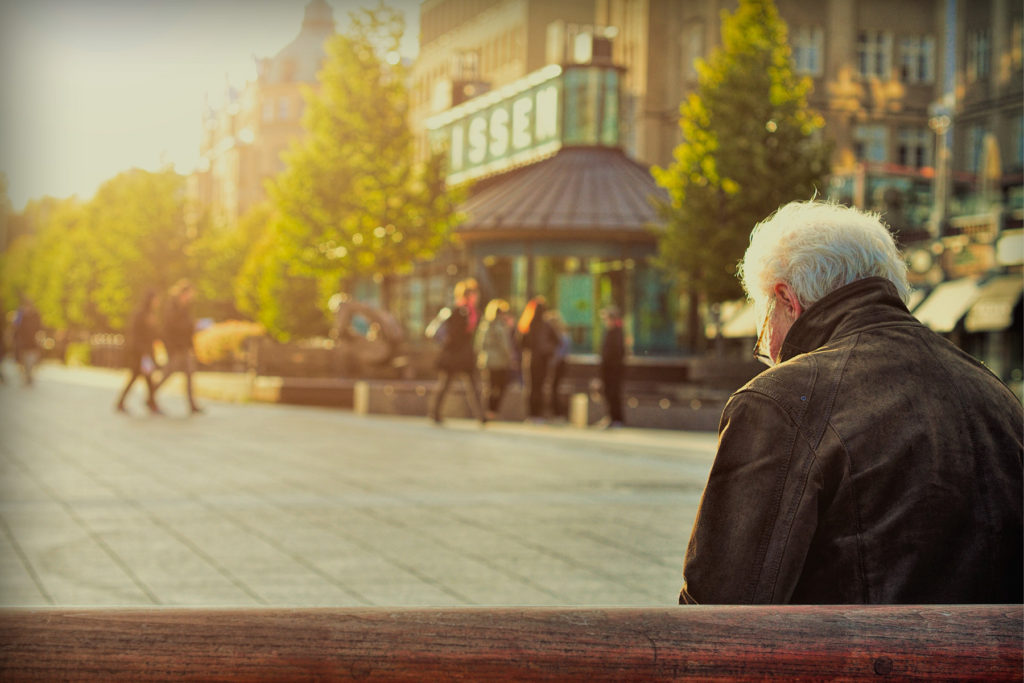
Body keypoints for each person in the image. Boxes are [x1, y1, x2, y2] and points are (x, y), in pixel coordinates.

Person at [680, 200, 1023, 605]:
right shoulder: (994, 391)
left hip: (854, 665)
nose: (769, 353)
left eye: (763, 336)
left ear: (787, 300)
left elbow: (720, 608)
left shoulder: (780, 401)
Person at [428, 279, 486, 425]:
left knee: (472, 385)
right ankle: (434, 413)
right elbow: (454, 334)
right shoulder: (458, 311)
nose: (476, 296)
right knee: (447, 384)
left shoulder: (472, 312)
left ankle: (481, 415)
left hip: (464, 355)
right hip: (455, 355)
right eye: (473, 293)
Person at [152, 279, 203, 415]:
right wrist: (191, 325)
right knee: (168, 373)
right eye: (190, 294)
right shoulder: (172, 306)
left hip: (184, 347)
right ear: (183, 293)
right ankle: (151, 395)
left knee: (189, 374)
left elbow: (187, 328)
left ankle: (192, 405)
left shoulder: (185, 307)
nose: (191, 297)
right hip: (175, 347)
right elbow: (171, 328)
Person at [115, 290, 162, 415]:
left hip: (145, 352)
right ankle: (150, 403)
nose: (158, 302)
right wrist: (143, 352)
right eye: (156, 299)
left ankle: (148, 402)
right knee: (143, 378)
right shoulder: (141, 315)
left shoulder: (150, 314)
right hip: (140, 353)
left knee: (144, 378)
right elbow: (137, 335)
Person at [517, 296, 558, 421]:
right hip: (542, 360)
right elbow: (557, 341)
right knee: (539, 387)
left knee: (532, 387)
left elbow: (520, 343)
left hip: (531, 360)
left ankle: (531, 414)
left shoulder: (527, 324)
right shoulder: (546, 325)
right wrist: (548, 350)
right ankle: (537, 414)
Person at [475, 298, 516, 420]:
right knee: (500, 386)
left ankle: (487, 412)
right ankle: (492, 411)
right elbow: (505, 345)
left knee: (489, 387)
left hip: (486, 360)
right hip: (499, 361)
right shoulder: (499, 326)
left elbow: (478, 344)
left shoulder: (484, 325)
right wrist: (511, 358)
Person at [598, 306, 625, 428]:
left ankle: (616, 418)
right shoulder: (609, 332)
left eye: (607, 319)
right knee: (608, 393)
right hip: (607, 369)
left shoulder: (617, 333)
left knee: (613, 393)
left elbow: (617, 353)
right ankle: (611, 417)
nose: (605, 322)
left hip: (614, 369)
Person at [545, 309, 571, 419]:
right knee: (554, 387)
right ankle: (555, 412)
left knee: (555, 388)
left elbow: (561, 352)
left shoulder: (561, 336)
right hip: (559, 363)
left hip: (558, 364)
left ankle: (558, 412)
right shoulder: (563, 335)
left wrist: (552, 362)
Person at [12, 298, 42, 386]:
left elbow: (39, 327)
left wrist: (39, 338)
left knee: (31, 361)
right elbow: (15, 327)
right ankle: (26, 376)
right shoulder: (20, 315)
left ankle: (29, 376)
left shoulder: (36, 315)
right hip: (22, 342)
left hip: (33, 342)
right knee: (23, 361)